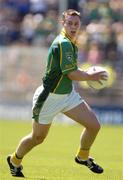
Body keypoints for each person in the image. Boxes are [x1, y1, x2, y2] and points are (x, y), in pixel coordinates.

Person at [7, 9, 107, 177]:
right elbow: (71, 74)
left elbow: (72, 70)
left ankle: (82, 156)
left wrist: (87, 73)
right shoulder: (64, 43)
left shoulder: (71, 41)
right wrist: (90, 76)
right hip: (49, 97)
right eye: (70, 23)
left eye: (76, 24)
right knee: (37, 138)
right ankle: (14, 160)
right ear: (63, 24)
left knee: (94, 125)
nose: (73, 26)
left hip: (67, 95)